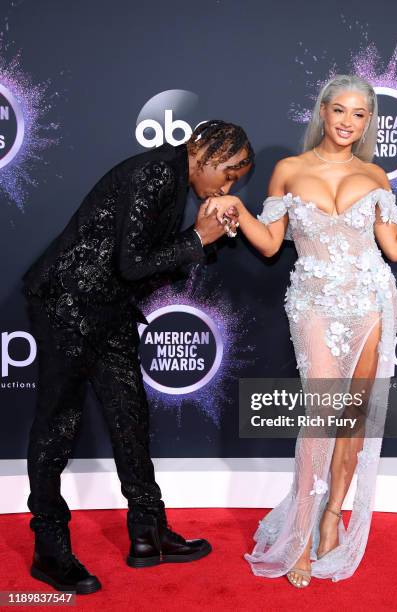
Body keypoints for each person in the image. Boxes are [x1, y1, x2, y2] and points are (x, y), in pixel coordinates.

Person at [203, 75, 397, 588]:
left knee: (352, 421)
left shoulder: (376, 175)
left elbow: (392, 250)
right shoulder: (288, 170)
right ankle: (301, 535)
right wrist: (238, 208)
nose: (348, 122)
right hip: (313, 302)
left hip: (372, 300)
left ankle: (333, 515)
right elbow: (268, 245)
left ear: (367, 121)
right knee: (321, 417)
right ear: (323, 112)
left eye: (359, 114)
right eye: (340, 111)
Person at [21, 119, 253, 594]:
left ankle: (148, 534)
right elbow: (133, 263)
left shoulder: (172, 179)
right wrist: (199, 239)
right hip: (67, 304)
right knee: (57, 425)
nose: (226, 186)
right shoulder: (157, 173)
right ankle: (49, 545)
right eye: (227, 174)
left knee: (130, 417)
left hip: (108, 308)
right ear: (203, 152)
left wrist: (200, 238)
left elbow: (137, 266)